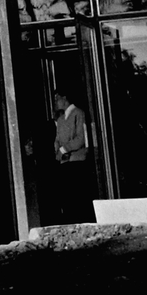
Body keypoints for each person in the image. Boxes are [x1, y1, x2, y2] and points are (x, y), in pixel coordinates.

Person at [52, 88, 95, 223]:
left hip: (77, 162)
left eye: (57, 98)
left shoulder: (78, 113)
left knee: (79, 198)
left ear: (65, 98)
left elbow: (81, 138)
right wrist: (58, 151)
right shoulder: (60, 119)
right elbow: (57, 139)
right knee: (67, 198)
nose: (56, 102)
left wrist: (64, 150)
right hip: (65, 163)